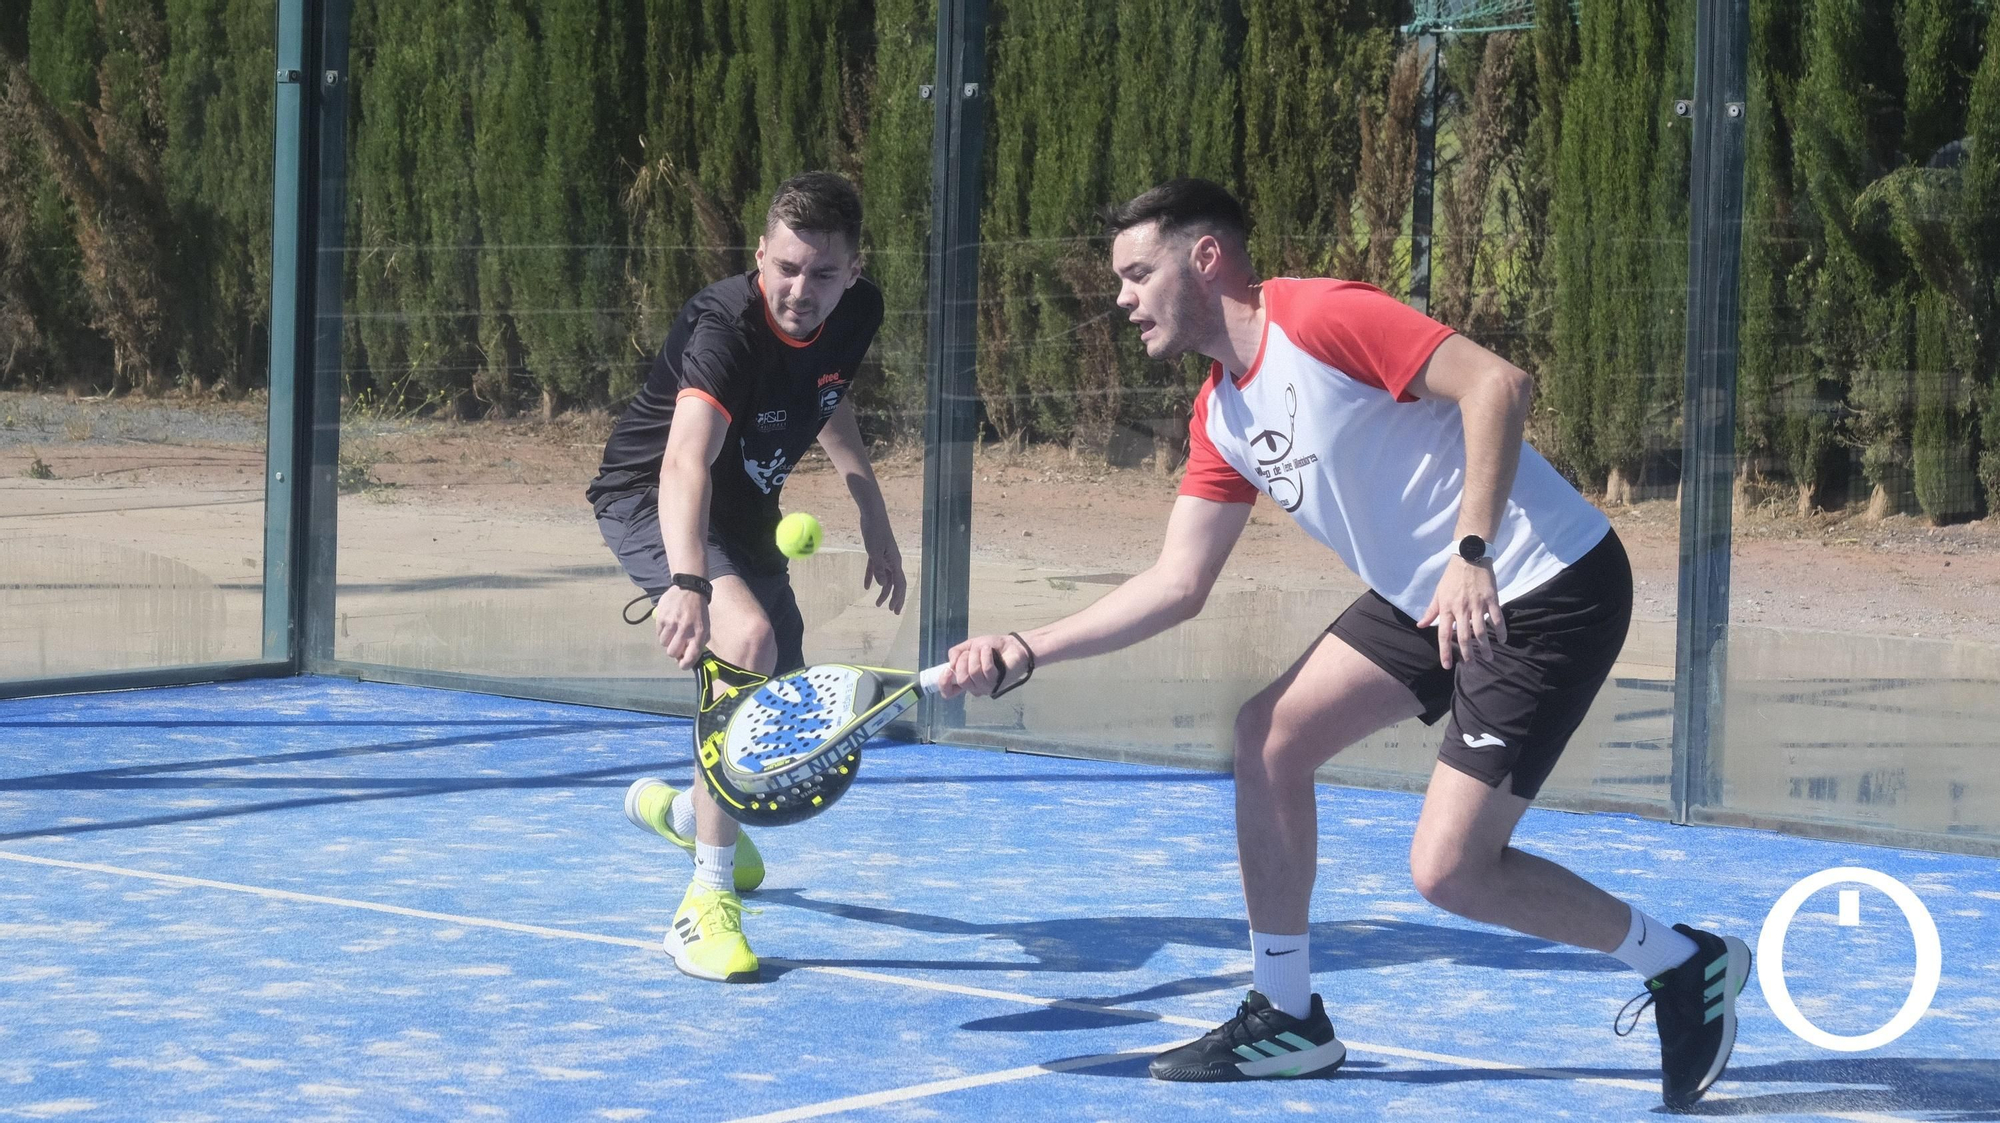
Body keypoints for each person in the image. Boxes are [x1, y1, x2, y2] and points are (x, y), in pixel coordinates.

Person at [937, 179, 1748, 1109]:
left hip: (1544, 581)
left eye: (1136, 272)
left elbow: (1497, 384)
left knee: (1449, 871)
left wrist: (1471, 550)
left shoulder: (1318, 316)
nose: (1122, 298)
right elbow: (1177, 584)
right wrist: (1026, 646)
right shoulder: (1220, 416)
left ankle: (1686, 962)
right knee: (1269, 737)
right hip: (1430, 596)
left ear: (1205, 258)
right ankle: (1287, 1017)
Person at [587, 171, 906, 984]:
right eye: (786, 268)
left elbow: (826, 395)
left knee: (773, 706)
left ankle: (687, 813)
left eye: (823, 274)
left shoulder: (856, 313)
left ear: (854, 272)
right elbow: (685, 458)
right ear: (760, 253)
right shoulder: (724, 323)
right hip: (654, 497)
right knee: (747, 642)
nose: (801, 290)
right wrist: (689, 582)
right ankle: (703, 903)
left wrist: (870, 508)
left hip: (746, 511)